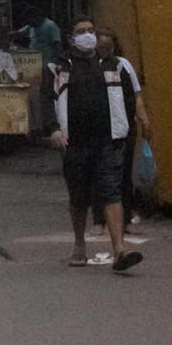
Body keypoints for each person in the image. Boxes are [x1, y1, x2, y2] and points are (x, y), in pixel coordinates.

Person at [48, 18, 148, 272]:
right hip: (75, 142)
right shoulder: (60, 66)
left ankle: (119, 251)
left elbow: (130, 97)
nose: (88, 35)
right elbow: (47, 98)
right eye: (81, 31)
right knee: (79, 196)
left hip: (106, 140)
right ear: (72, 37)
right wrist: (55, 130)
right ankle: (79, 245)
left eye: (90, 31)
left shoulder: (112, 65)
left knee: (111, 191)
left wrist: (126, 129)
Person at [93, 28, 151, 231]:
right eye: (101, 47)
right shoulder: (91, 67)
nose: (105, 50)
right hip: (99, 129)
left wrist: (144, 121)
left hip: (124, 128)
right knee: (100, 175)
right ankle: (99, 221)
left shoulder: (123, 65)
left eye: (108, 46)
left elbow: (136, 95)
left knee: (124, 175)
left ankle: (125, 219)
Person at [21, 6, 61, 139]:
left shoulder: (50, 26)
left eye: (30, 19)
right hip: (34, 67)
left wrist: (57, 64)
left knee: (45, 96)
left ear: (37, 16)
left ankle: (47, 126)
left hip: (47, 66)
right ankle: (36, 126)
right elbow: (19, 33)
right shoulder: (31, 27)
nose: (29, 23)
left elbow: (57, 45)